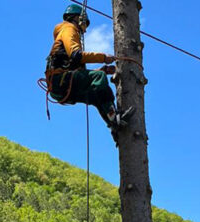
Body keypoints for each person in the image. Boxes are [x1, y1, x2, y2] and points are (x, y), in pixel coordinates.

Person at [45, 4, 134, 139]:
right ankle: (114, 117)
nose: (84, 30)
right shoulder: (69, 28)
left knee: (95, 96)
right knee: (98, 77)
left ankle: (114, 125)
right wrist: (103, 57)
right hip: (61, 80)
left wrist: (102, 70)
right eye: (84, 24)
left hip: (61, 86)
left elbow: (79, 72)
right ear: (77, 18)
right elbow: (77, 55)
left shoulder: (65, 33)